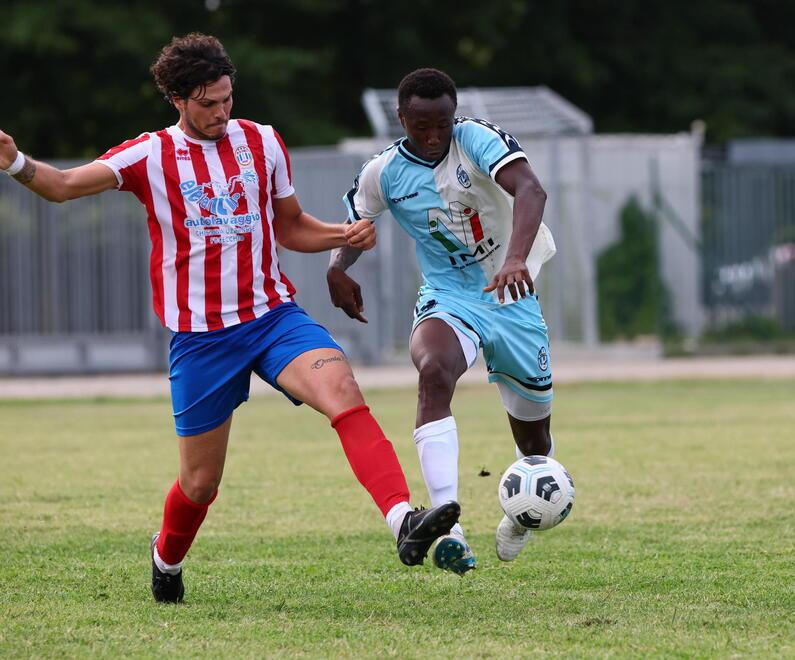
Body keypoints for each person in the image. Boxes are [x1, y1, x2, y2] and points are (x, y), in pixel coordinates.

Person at [0, 36, 460, 603]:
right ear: (176, 99)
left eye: (226, 99)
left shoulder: (262, 142)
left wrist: (344, 234)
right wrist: (16, 163)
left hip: (273, 318)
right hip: (201, 341)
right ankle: (165, 558)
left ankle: (402, 520)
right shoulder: (149, 155)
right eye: (207, 103)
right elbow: (64, 186)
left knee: (343, 392)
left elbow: (290, 227)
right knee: (200, 485)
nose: (221, 113)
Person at [327, 68, 557, 575]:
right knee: (433, 371)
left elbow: (532, 191)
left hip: (512, 297)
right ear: (401, 118)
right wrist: (337, 268)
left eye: (442, 126)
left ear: (455, 117)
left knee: (536, 444)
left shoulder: (476, 139)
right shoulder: (383, 173)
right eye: (421, 127)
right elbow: (355, 226)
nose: (433, 138)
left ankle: (519, 518)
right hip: (448, 298)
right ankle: (446, 524)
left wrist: (515, 258)